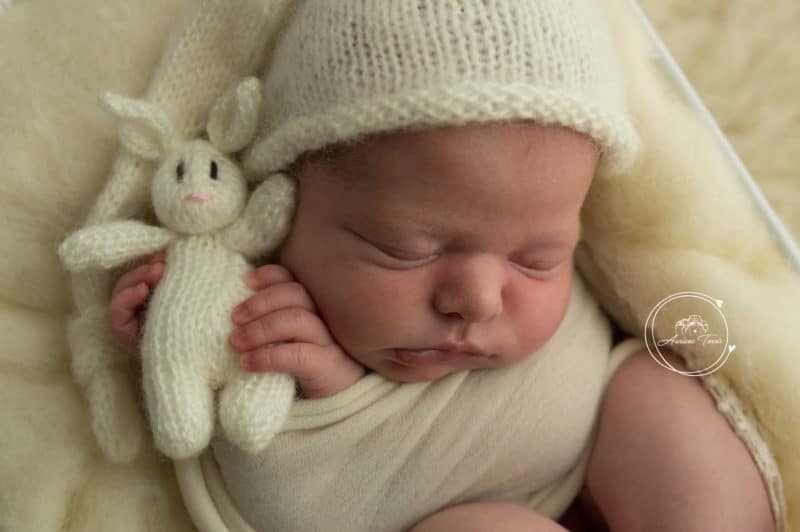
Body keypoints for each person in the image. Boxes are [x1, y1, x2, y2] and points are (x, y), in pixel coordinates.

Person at [107, 1, 776, 531]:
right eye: (408, 251)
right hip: (415, 509)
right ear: (284, 200)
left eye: (537, 259)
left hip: (592, 434)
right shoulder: (258, 299)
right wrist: (172, 322)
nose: (480, 299)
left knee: (661, 389)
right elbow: (285, 494)